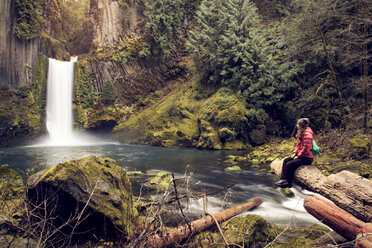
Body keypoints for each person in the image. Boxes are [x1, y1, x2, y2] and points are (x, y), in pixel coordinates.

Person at [275, 118, 314, 188]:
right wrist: (295, 153)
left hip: (307, 158)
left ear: (301, 125)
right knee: (286, 160)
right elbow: (298, 146)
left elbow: (306, 148)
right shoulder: (301, 132)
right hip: (302, 155)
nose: (296, 125)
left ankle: (288, 182)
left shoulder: (307, 134)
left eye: (298, 124)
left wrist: (299, 155)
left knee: (290, 164)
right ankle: (283, 179)